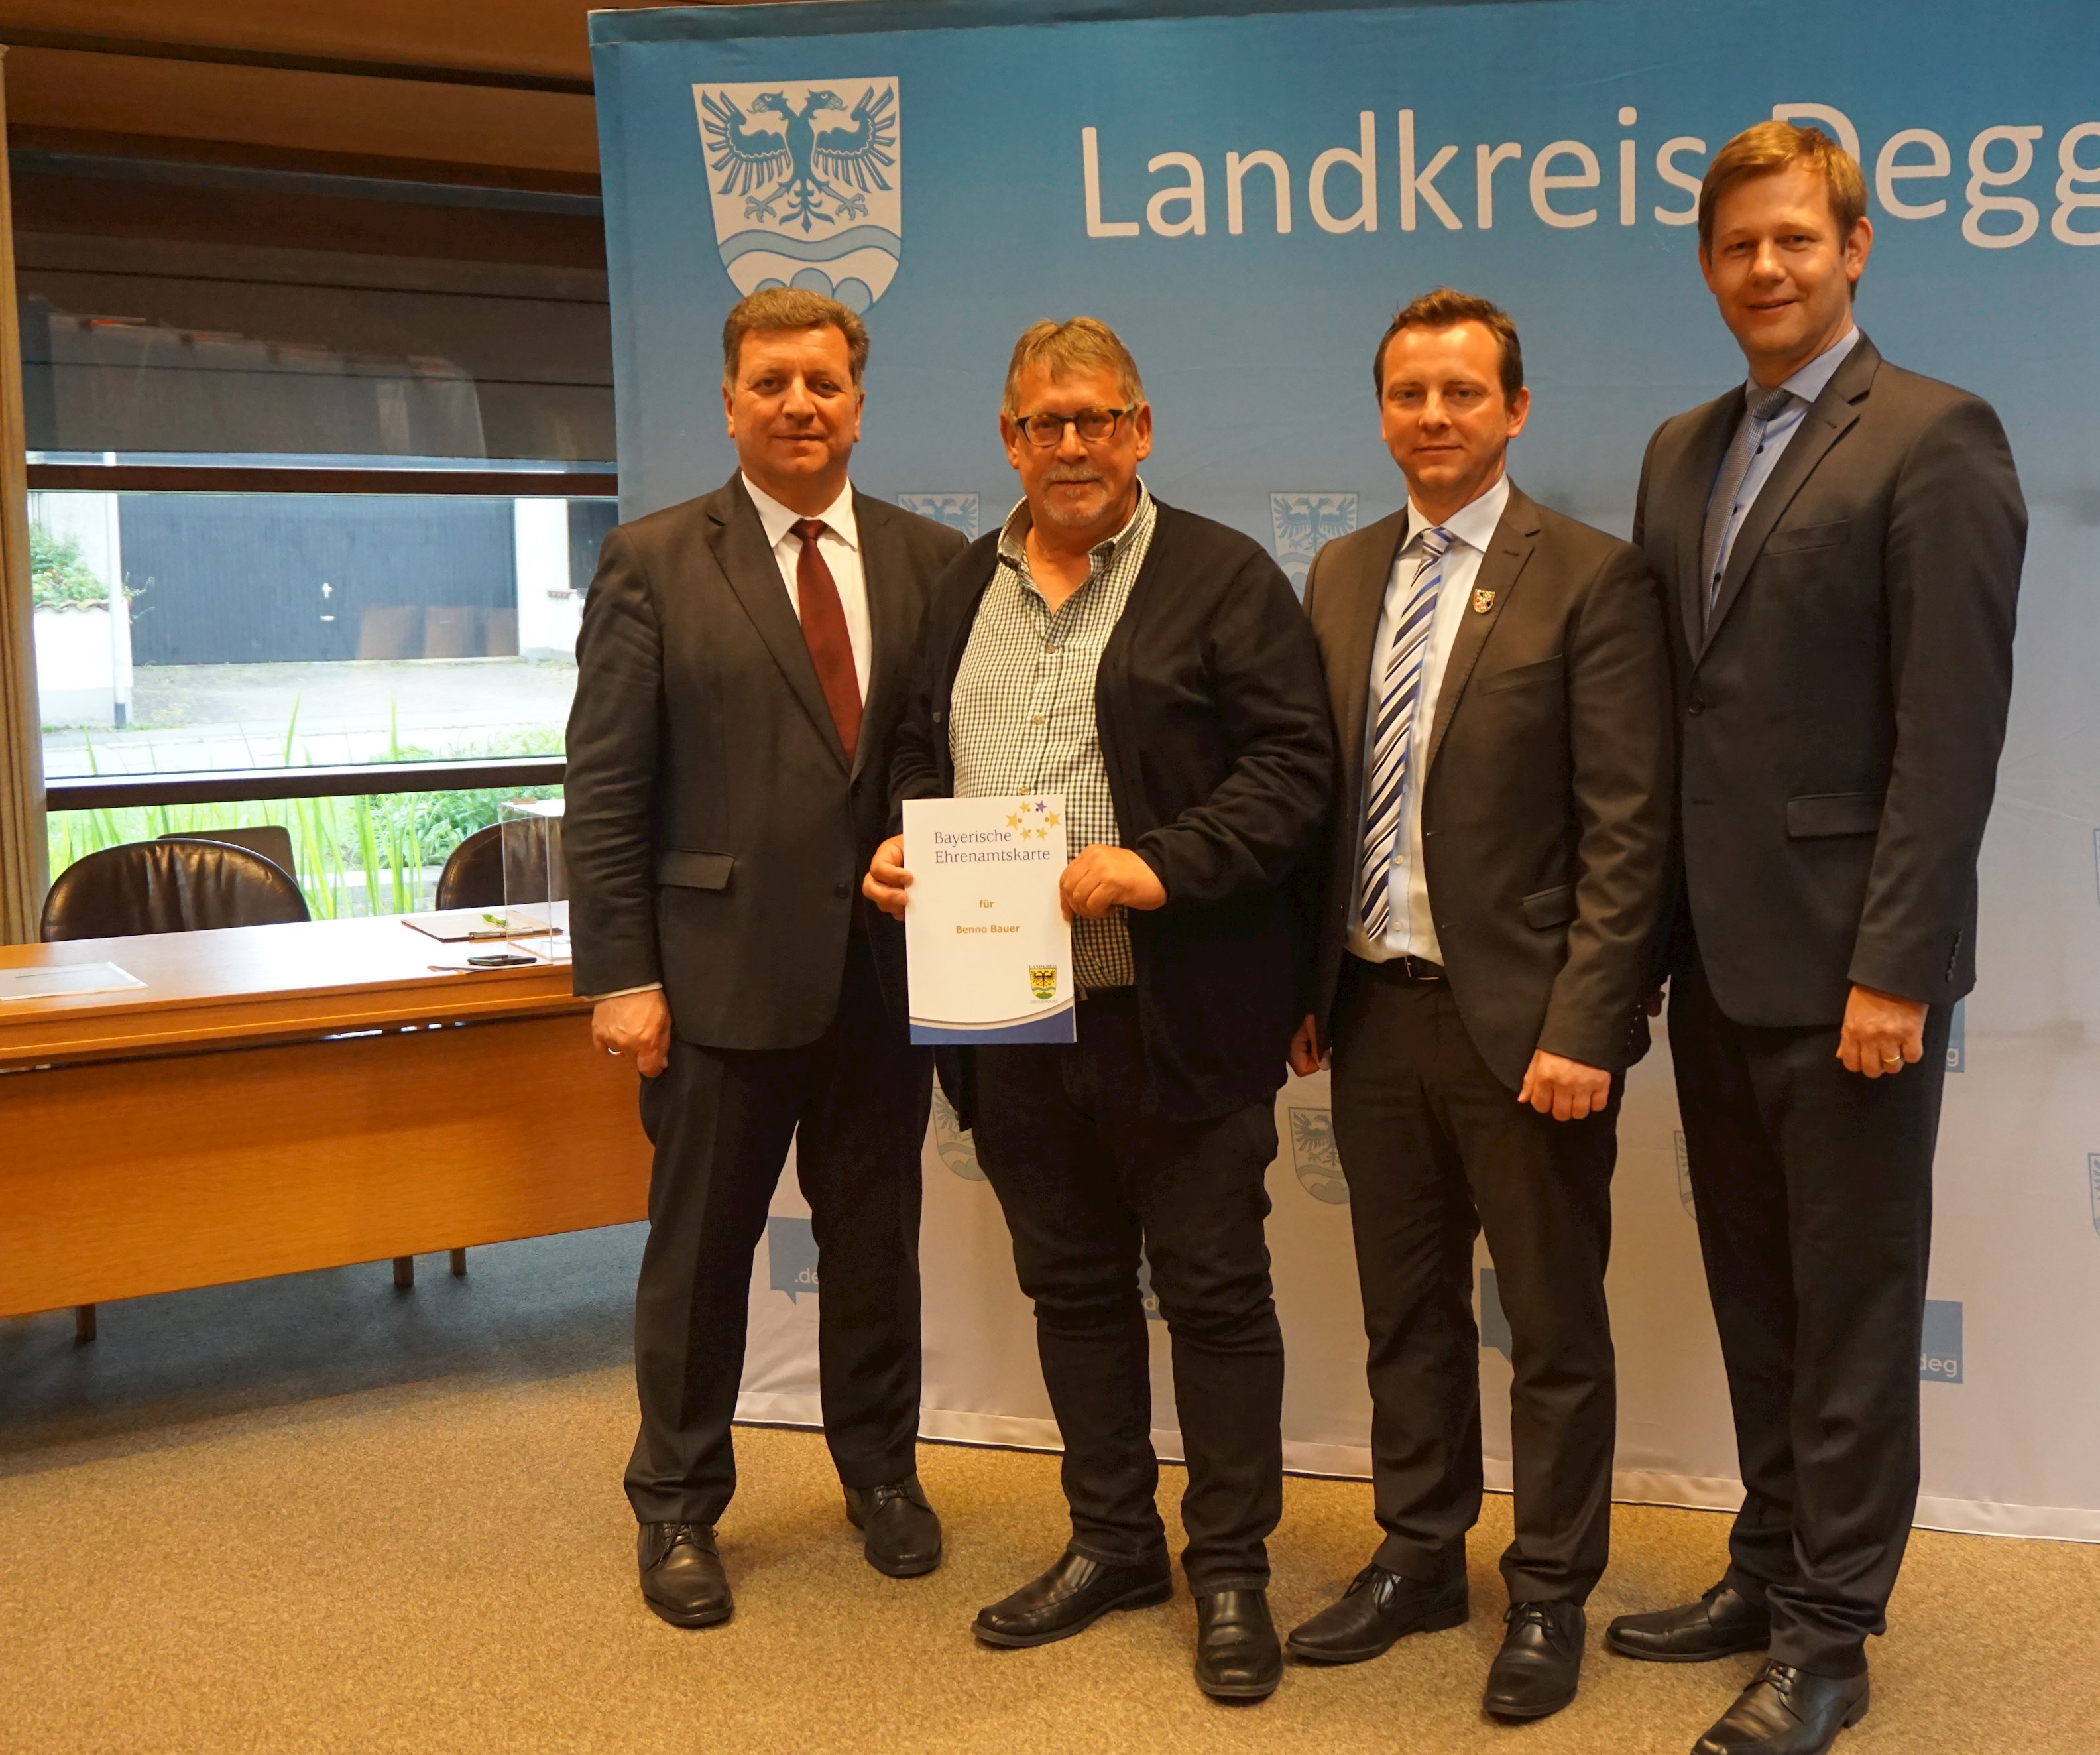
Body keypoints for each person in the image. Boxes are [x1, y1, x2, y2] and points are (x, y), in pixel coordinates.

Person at [1609, 123, 2026, 1755]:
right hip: (1714, 964)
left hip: (1853, 974)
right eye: (1736, 246)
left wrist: (1893, 967)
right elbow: (1674, 712)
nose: (1765, 268)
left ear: (1854, 247)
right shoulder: (1678, 448)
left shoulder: (1934, 435)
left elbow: (1949, 732)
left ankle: (1830, 1637)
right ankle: (1768, 1563)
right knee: (1755, 1296)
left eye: (1794, 238)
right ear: (1705, 267)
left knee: (1849, 1313)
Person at [864, 317, 1333, 1702]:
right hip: (1008, 1022)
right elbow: (916, 751)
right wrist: (900, 844)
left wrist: (1160, 863)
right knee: (1070, 1290)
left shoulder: (1223, 577)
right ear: (1008, 441)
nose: (1069, 445)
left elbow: (1294, 770)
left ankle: (1230, 1569)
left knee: (1215, 1295)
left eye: (1096, 420)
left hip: (1172, 1015)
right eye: (1042, 424)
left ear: (1141, 431)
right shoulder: (965, 584)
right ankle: (1114, 1542)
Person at [1282, 289, 1673, 1721]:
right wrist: (1303, 984)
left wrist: (1587, 1023)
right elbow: (1322, 803)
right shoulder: (1339, 572)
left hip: (1528, 1028)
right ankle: (1420, 1555)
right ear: (1380, 412)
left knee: (1552, 1330)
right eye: (1409, 393)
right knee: (1406, 1314)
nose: (1433, 416)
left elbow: (1629, 827)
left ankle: (1551, 1588)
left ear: (1514, 409)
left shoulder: (1589, 577)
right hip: (1373, 1010)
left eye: (1461, 393)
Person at [565, 287, 968, 1629]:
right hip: (713, 982)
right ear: (729, 403)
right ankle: (677, 1505)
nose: (800, 404)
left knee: (876, 1250)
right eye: (773, 382)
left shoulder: (930, 560)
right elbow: (606, 786)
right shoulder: (652, 560)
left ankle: (883, 1477)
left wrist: (925, 839)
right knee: (698, 1262)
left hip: (884, 980)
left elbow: (934, 752)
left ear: (859, 404)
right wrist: (621, 976)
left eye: (824, 383)